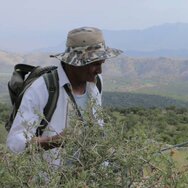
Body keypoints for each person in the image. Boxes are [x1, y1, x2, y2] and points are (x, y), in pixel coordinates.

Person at [6, 27, 122, 166]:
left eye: (101, 63)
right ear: (75, 62)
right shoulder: (42, 89)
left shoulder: (96, 83)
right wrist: (54, 141)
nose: (99, 70)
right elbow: (14, 143)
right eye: (95, 64)